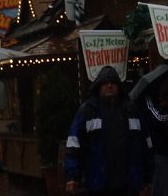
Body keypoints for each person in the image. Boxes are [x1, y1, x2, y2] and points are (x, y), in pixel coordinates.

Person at [64, 65, 150, 196]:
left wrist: (147, 177)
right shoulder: (88, 111)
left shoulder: (131, 110)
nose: (109, 86)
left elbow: (145, 144)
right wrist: (72, 176)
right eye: (105, 83)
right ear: (98, 86)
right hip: (98, 184)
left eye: (113, 83)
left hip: (129, 184)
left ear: (118, 86)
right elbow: (74, 145)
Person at [141, 76, 168, 196]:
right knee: (161, 187)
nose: (166, 86)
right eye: (164, 83)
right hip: (157, 150)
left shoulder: (160, 99)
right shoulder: (148, 99)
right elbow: (159, 117)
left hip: (167, 148)